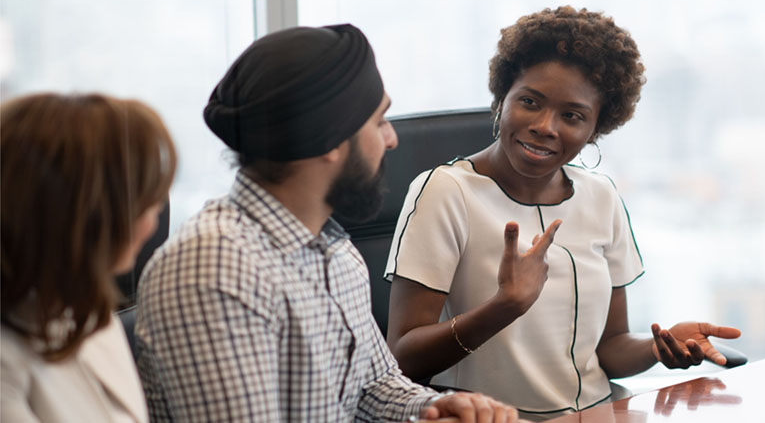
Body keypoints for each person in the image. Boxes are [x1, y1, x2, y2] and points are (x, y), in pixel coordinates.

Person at [134, 24, 517, 422]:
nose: (391, 140)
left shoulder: (332, 247)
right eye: (379, 121)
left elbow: (372, 387)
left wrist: (433, 407)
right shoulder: (215, 270)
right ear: (332, 138)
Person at [384, 6, 741, 419]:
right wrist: (504, 306)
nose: (545, 126)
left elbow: (609, 348)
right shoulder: (446, 192)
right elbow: (402, 358)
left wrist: (660, 348)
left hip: (597, 413)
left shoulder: (601, 195)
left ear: (597, 128)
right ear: (502, 98)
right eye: (530, 102)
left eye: (572, 116)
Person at [1, 93, 177, 422]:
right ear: (78, 214)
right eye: (138, 204)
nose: (152, 223)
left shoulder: (88, 312)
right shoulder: (8, 364)